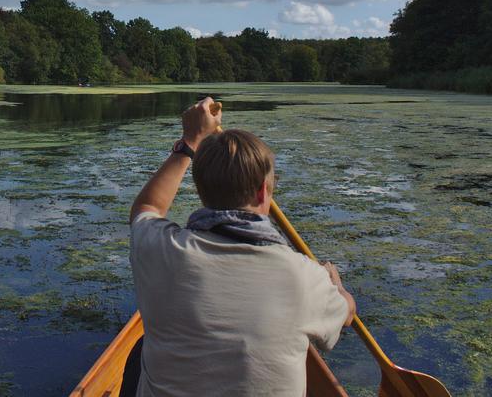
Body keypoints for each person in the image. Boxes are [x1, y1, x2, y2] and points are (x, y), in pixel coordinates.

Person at [128, 97, 356, 397]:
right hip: (313, 279)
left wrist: (190, 143)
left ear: (200, 190)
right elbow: (348, 313)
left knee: (138, 353)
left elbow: (147, 207)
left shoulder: (164, 251)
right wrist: (335, 285)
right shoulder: (305, 277)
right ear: (264, 191)